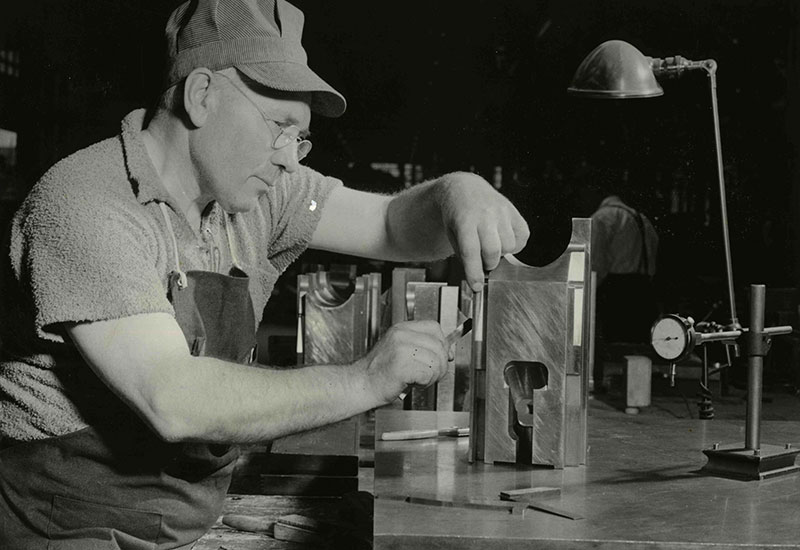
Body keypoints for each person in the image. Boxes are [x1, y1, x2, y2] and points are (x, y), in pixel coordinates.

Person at [0, 1, 530, 548]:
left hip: (176, 526)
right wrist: (366, 379)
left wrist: (458, 193)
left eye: (299, 138)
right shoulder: (84, 204)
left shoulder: (256, 196)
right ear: (201, 94)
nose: (289, 159)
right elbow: (174, 399)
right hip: (61, 530)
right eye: (280, 126)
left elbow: (393, 226)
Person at [584, 186, 659, 392]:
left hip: (617, 288)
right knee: (635, 349)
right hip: (643, 287)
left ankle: (608, 388)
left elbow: (596, 261)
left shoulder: (604, 217)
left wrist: (588, 292)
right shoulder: (642, 218)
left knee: (612, 346)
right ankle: (634, 393)